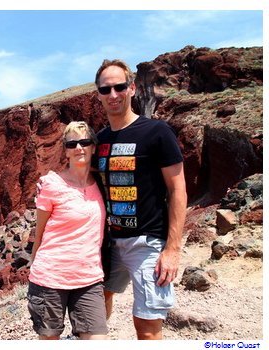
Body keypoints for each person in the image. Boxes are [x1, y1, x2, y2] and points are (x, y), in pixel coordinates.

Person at [93, 59, 187, 340]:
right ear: (98, 94)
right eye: (105, 89)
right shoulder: (100, 138)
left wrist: (172, 249)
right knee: (97, 310)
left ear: (132, 88)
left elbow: (178, 190)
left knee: (147, 329)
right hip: (109, 242)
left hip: (147, 243)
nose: (113, 95)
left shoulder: (157, 132)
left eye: (119, 87)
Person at [27, 121, 109, 340]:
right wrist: (34, 261)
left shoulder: (102, 180)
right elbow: (40, 230)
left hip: (89, 279)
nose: (79, 148)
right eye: (72, 143)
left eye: (84, 142)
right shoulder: (52, 184)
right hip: (50, 279)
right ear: (66, 149)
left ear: (93, 146)